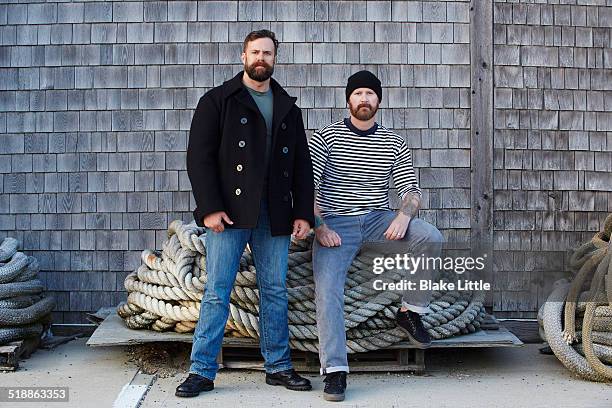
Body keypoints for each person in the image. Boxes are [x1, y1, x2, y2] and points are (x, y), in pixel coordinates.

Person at [178, 29, 314, 398]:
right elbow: (199, 159)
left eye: (267, 53)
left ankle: (279, 366)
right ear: (243, 56)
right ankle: (202, 371)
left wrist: (303, 212)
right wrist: (209, 208)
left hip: (276, 211)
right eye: (255, 52)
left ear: (275, 58)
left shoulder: (287, 105)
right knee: (217, 291)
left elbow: (302, 165)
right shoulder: (218, 100)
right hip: (231, 212)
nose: (261, 59)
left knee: (274, 291)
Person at [309, 70, 445, 402]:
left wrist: (403, 214)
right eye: (358, 94)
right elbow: (306, 188)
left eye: (370, 94)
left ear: (379, 101)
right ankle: (335, 371)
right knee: (328, 289)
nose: (364, 99)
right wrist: (320, 227)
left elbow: (410, 190)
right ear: (348, 100)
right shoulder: (325, 137)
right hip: (335, 222)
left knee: (430, 236)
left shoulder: (393, 142)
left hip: (375, 219)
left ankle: (410, 312)